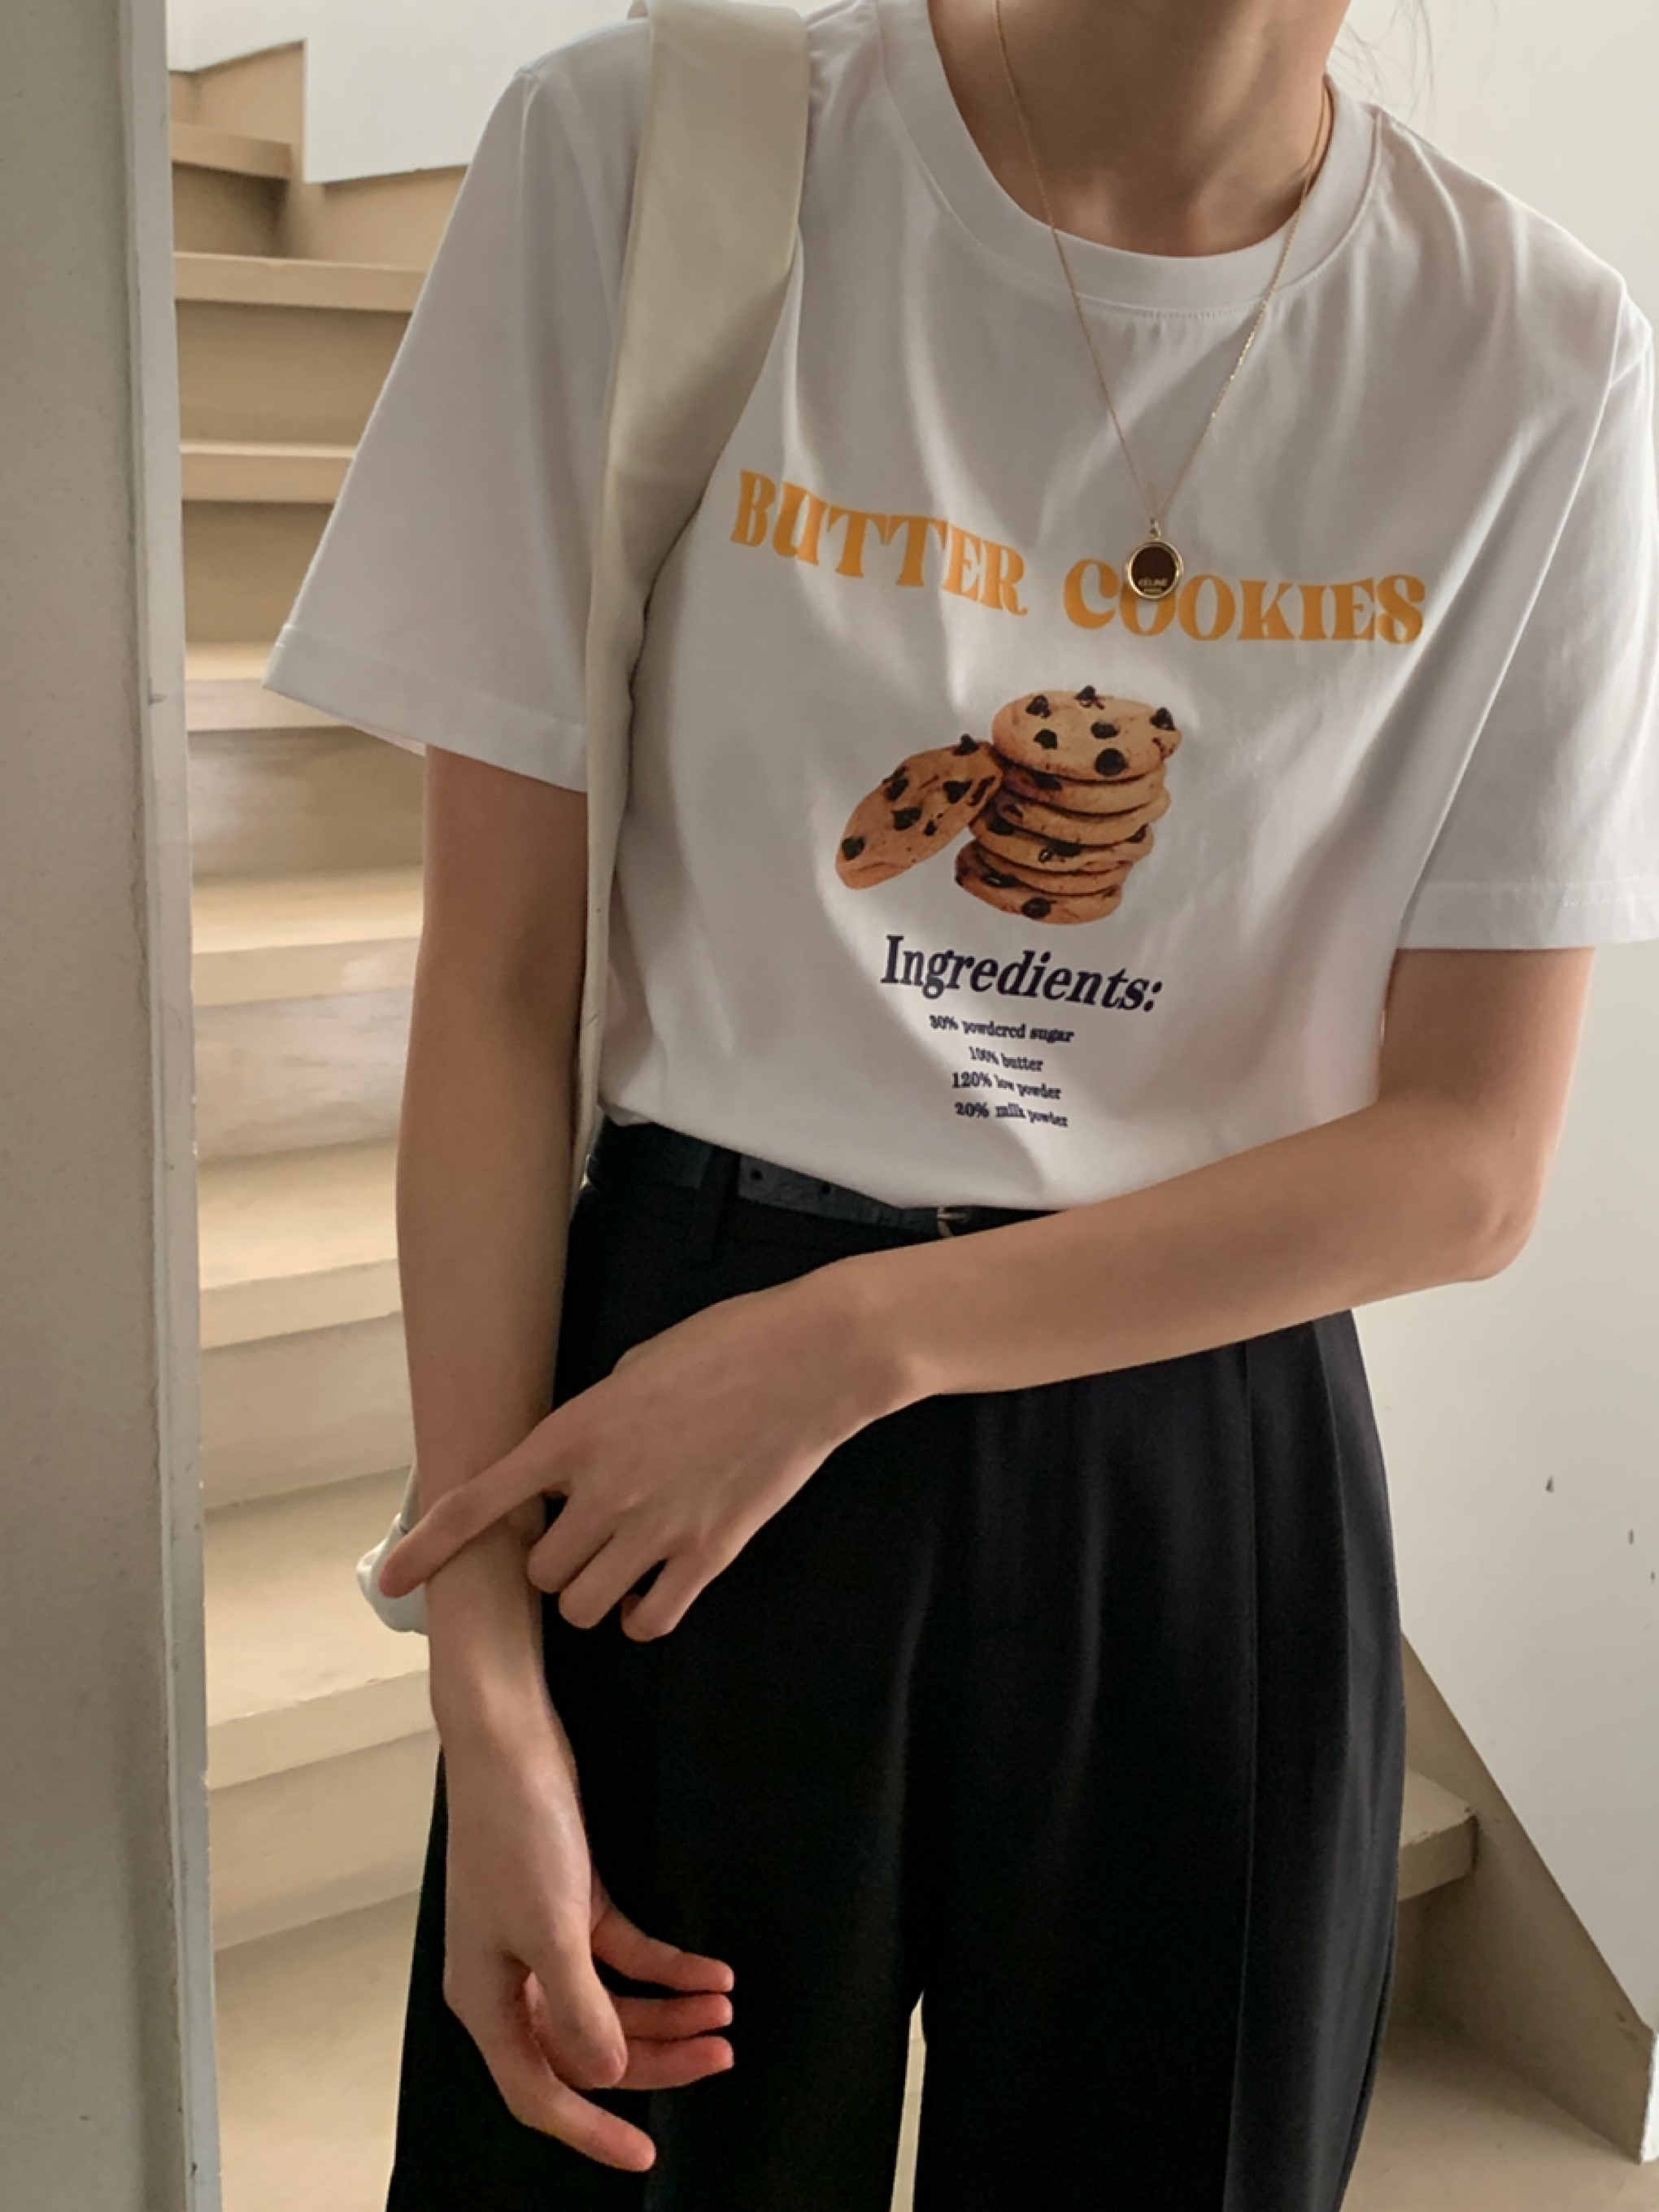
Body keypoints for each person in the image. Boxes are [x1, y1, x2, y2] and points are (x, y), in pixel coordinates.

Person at [263, 0, 1659, 2203]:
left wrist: (856, 1343)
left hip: (1193, 1446)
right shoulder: (660, 155)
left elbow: (1470, 1165)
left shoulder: (1535, 352)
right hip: (675, 1440)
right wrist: (488, 1689)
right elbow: (501, 992)